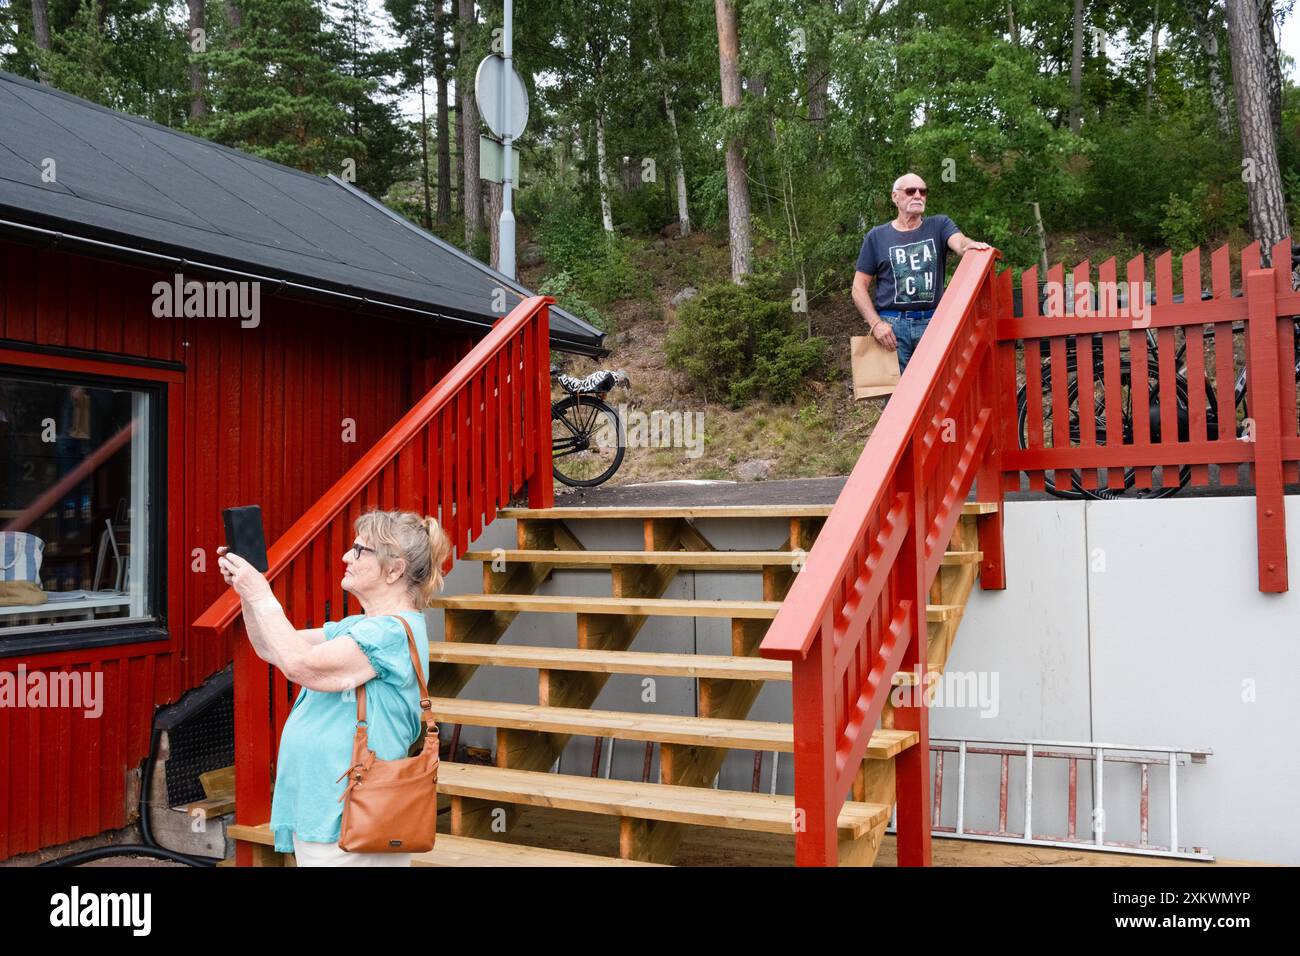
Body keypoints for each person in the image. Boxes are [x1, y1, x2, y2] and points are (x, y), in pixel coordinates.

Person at [217, 509, 453, 867]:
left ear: (394, 569)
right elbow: (273, 648)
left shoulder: (388, 634)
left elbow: (299, 665)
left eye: (360, 551)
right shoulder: (359, 625)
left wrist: (262, 593)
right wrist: (247, 593)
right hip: (326, 806)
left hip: (354, 813)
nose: (346, 557)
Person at [851, 172, 991, 374]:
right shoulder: (876, 237)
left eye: (923, 191)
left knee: (938, 394)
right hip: (892, 328)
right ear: (895, 197)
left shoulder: (939, 225)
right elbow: (858, 287)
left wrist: (969, 246)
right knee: (896, 398)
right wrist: (876, 324)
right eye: (910, 191)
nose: (918, 195)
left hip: (933, 323)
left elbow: (959, 242)